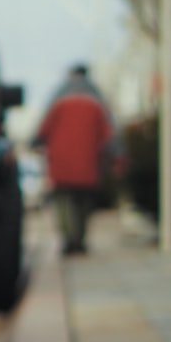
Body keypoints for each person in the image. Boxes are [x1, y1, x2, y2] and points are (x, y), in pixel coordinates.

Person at [34, 64, 116, 255]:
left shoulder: (58, 96)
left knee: (62, 201)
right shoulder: (97, 98)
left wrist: (35, 143)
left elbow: (42, 129)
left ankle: (68, 238)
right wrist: (116, 156)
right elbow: (110, 133)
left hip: (61, 163)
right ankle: (79, 239)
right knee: (84, 203)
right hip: (88, 163)